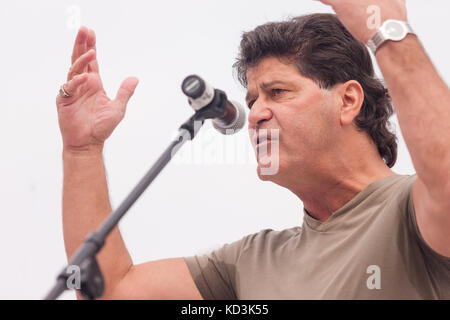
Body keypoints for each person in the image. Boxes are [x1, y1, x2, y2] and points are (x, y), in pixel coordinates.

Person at [56, 0, 450, 299]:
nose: (257, 113)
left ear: (347, 101)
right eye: (252, 98)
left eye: (278, 92)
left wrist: (385, 29)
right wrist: (82, 151)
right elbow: (110, 290)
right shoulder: (249, 261)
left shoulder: (411, 209)